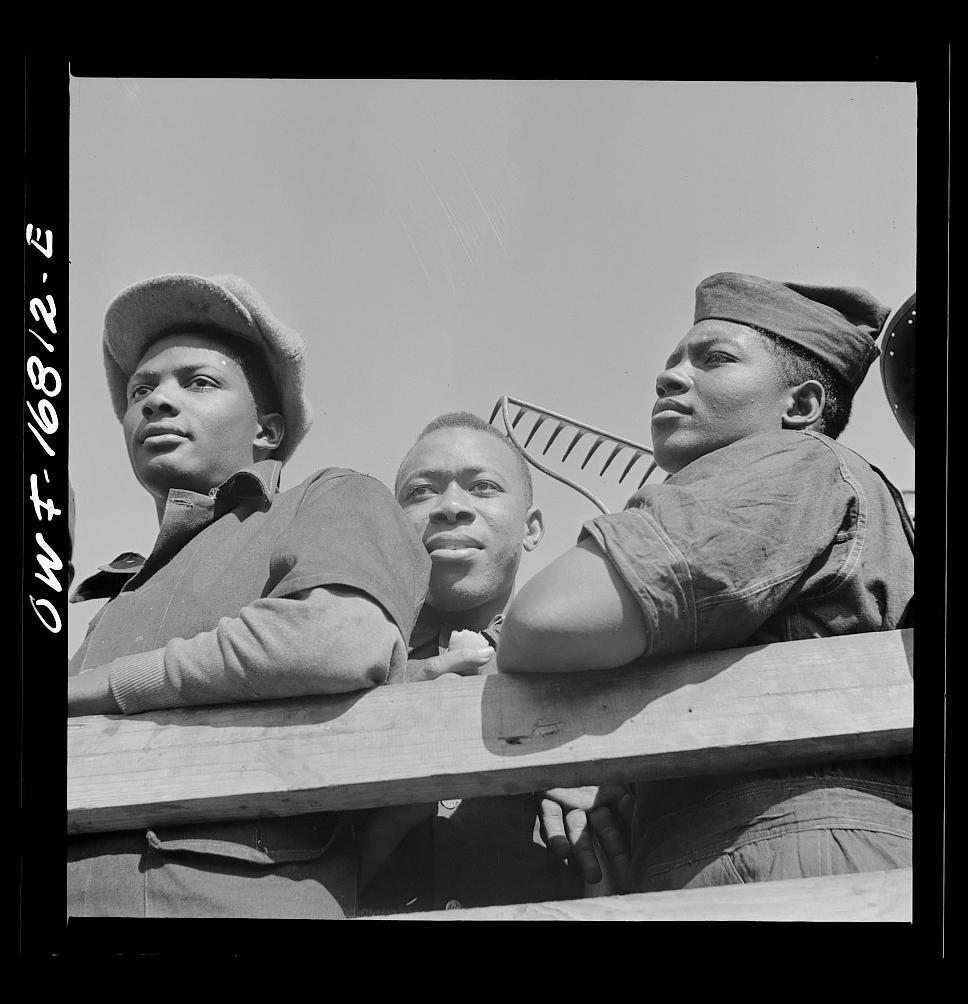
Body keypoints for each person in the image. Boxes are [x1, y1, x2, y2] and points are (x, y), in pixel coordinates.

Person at [498, 271, 914, 891]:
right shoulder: (849, 491)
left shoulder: (792, 462)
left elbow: (546, 621)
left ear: (799, 407)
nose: (669, 376)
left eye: (714, 359)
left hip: (784, 861)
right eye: (671, 361)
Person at [67, 273, 430, 918]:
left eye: (197, 383)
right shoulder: (112, 599)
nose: (155, 402)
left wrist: (106, 687)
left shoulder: (328, 500)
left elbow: (337, 637)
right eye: (139, 390)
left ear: (266, 429)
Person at [357, 411, 609, 913]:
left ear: (531, 528)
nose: (451, 506)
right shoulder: (342, 670)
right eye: (421, 492)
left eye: (485, 487)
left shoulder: (595, 673)